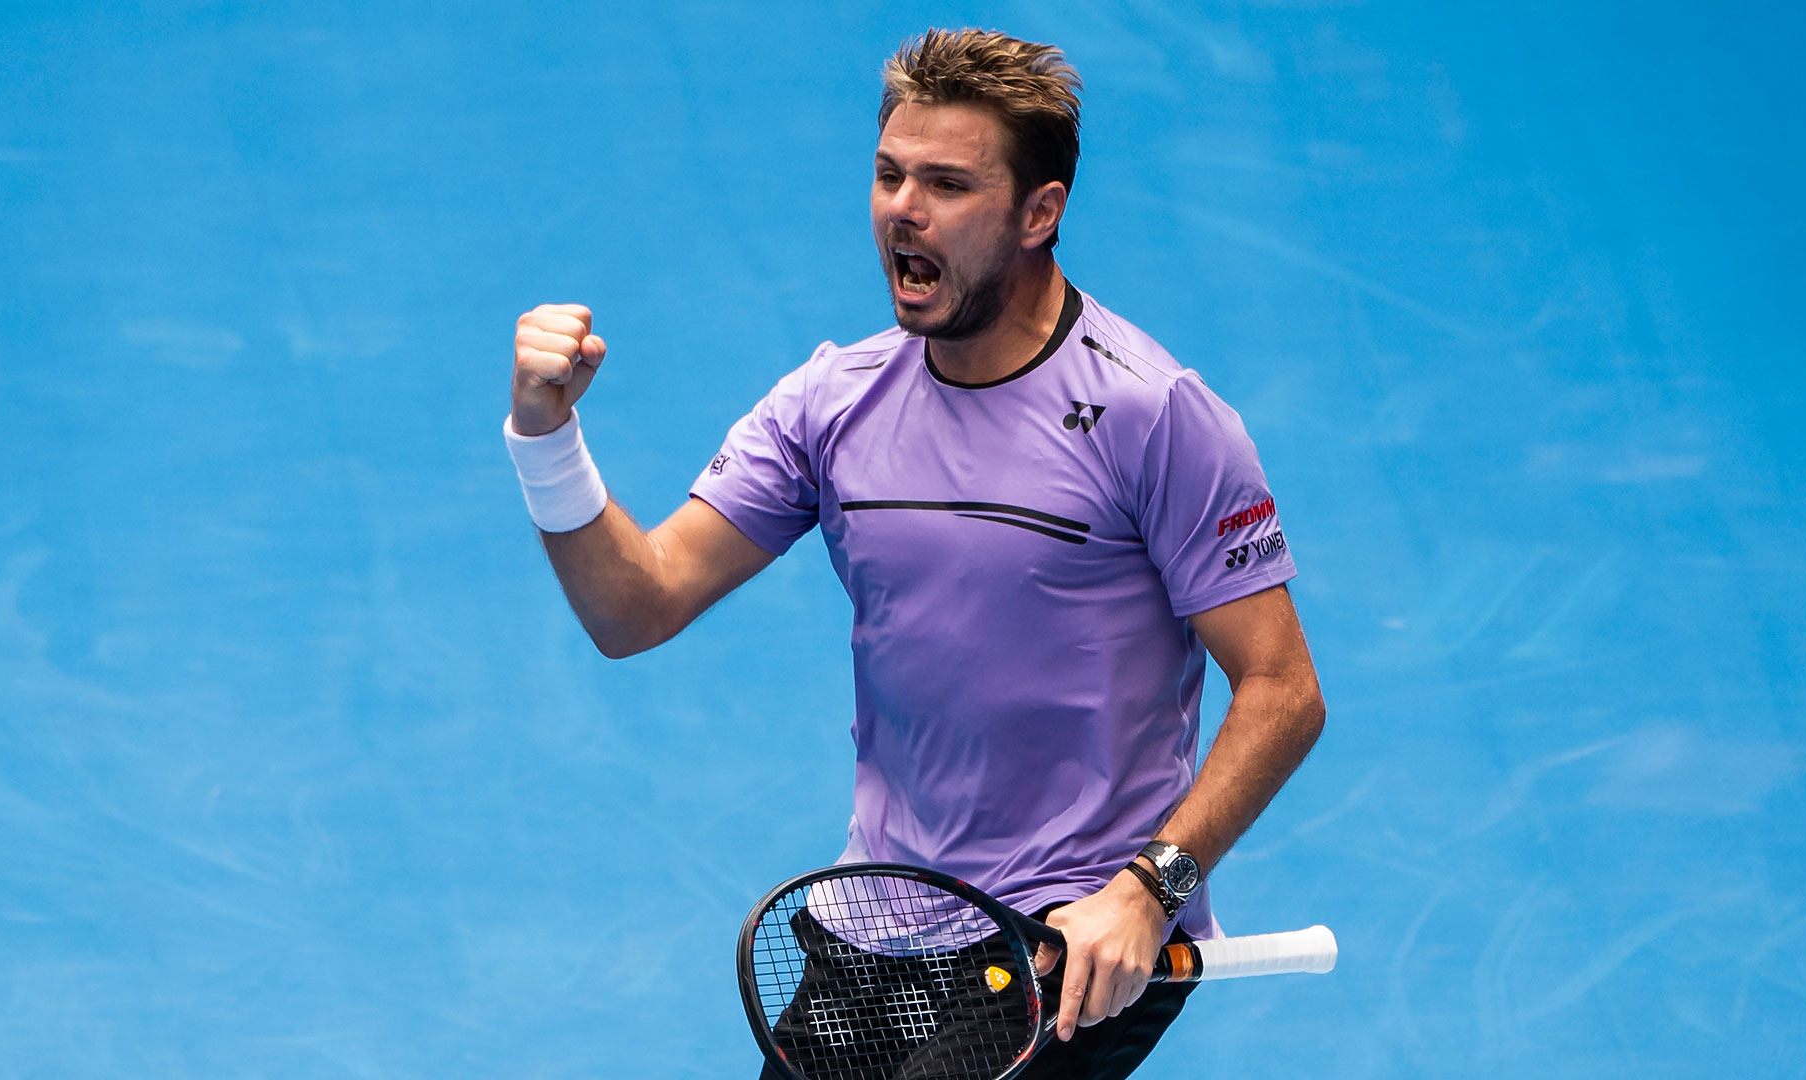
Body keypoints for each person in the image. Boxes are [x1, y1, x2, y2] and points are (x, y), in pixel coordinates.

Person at [502, 28, 1325, 1080]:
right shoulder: (831, 404)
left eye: (947, 183)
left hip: (1068, 936)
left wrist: (1146, 889)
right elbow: (637, 606)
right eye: (890, 175)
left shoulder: (1153, 416)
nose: (904, 209)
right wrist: (547, 439)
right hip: (884, 914)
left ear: (1041, 211)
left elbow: (1283, 688)